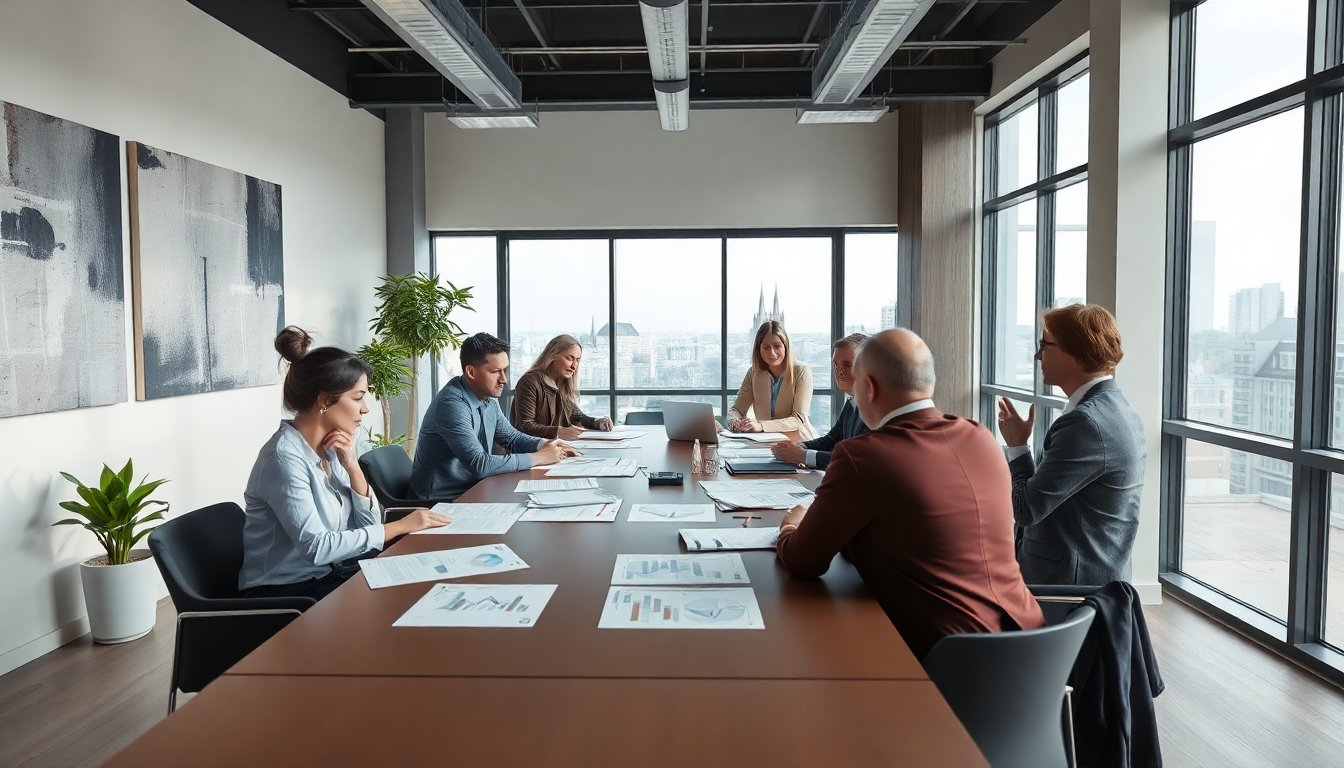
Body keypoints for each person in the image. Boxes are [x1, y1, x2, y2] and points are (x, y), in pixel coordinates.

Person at [775, 329, 1043, 659]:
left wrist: (790, 525)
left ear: (868, 388)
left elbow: (803, 562)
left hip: (946, 664)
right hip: (1035, 652)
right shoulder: (981, 437)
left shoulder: (862, 457)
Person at [240, 327, 451, 600]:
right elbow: (316, 547)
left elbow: (369, 526)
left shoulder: (331, 449)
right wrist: (399, 527)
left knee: (424, 583)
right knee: (402, 601)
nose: (365, 408)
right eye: (358, 397)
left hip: (328, 577)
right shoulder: (282, 458)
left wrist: (352, 467)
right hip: (284, 593)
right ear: (326, 400)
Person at [997, 303, 1145, 585]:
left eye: (1045, 345)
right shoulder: (1117, 409)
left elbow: (1026, 509)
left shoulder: (1085, 424)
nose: (1037, 356)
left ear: (1075, 352)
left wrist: (1017, 447)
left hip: (1067, 589)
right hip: (1092, 577)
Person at [410, 332, 570, 501]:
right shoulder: (451, 405)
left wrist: (545, 445)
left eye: (505, 370)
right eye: (496, 372)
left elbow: (512, 438)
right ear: (471, 372)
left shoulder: (487, 399)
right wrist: (539, 457)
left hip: (474, 487)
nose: (504, 380)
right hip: (441, 500)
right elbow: (480, 464)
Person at [770, 332, 869, 468]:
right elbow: (833, 440)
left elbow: (857, 460)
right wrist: (798, 447)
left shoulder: (876, 410)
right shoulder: (852, 402)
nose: (839, 370)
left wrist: (802, 455)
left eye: (847, 364)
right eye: (836, 364)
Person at [510, 334, 614, 440]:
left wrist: (597, 421)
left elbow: (577, 416)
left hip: (556, 449)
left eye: (577, 360)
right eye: (569, 358)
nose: (574, 366)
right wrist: (558, 432)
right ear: (553, 355)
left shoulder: (560, 383)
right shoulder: (530, 382)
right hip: (533, 453)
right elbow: (524, 426)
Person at [727, 320, 817, 439]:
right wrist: (736, 423)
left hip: (799, 443)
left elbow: (798, 420)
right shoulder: (753, 373)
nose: (772, 353)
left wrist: (761, 426)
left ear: (786, 346)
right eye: (766, 348)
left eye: (777, 346)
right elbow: (736, 409)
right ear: (759, 349)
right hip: (764, 443)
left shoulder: (802, 373)